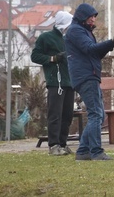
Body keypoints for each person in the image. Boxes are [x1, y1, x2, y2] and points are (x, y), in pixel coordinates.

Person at [65, 3, 114, 161]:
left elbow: (94, 54)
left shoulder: (83, 31)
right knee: (95, 114)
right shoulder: (76, 31)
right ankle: (96, 151)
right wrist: (111, 42)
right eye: (91, 17)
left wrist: (109, 45)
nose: (93, 20)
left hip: (89, 75)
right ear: (83, 17)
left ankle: (83, 151)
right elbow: (90, 49)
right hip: (86, 76)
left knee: (98, 115)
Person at [31, 11, 75, 156]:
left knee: (67, 115)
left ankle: (63, 143)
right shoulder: (46, 38)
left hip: (69, 81)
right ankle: (54, 145)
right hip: (55, 81)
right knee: (55, 114)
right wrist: (53, 59)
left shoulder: (69, 38)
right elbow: (35, 56)